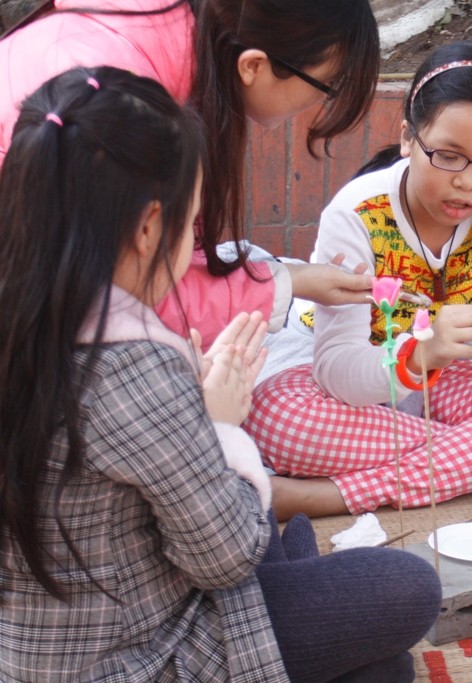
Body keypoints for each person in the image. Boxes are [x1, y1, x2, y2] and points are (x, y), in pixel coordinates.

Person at [0, 66, 440, 682]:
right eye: (194, 219)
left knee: (381, 663)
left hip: (32, 644)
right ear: (151, 225)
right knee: (407, 588)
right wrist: (218, 426)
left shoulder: (32, 317)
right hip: (139, 650)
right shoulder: (130, 365)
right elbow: (225, 558)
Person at [244, 40, 472, 520]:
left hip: (452, 387)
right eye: (449, 156)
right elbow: (335, 371)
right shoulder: (358, 213)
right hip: (365, 386)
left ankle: (334, 495)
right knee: (278, 418)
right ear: (409, 138)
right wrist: (421, 354)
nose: (469, 183)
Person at [0, 0, 381, 350]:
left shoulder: (165, 47)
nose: (320, 102)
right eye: (326, 86)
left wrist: (290, 280)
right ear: (253, 65)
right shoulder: (126, 110)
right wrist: (288, 283)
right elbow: (127, 293)